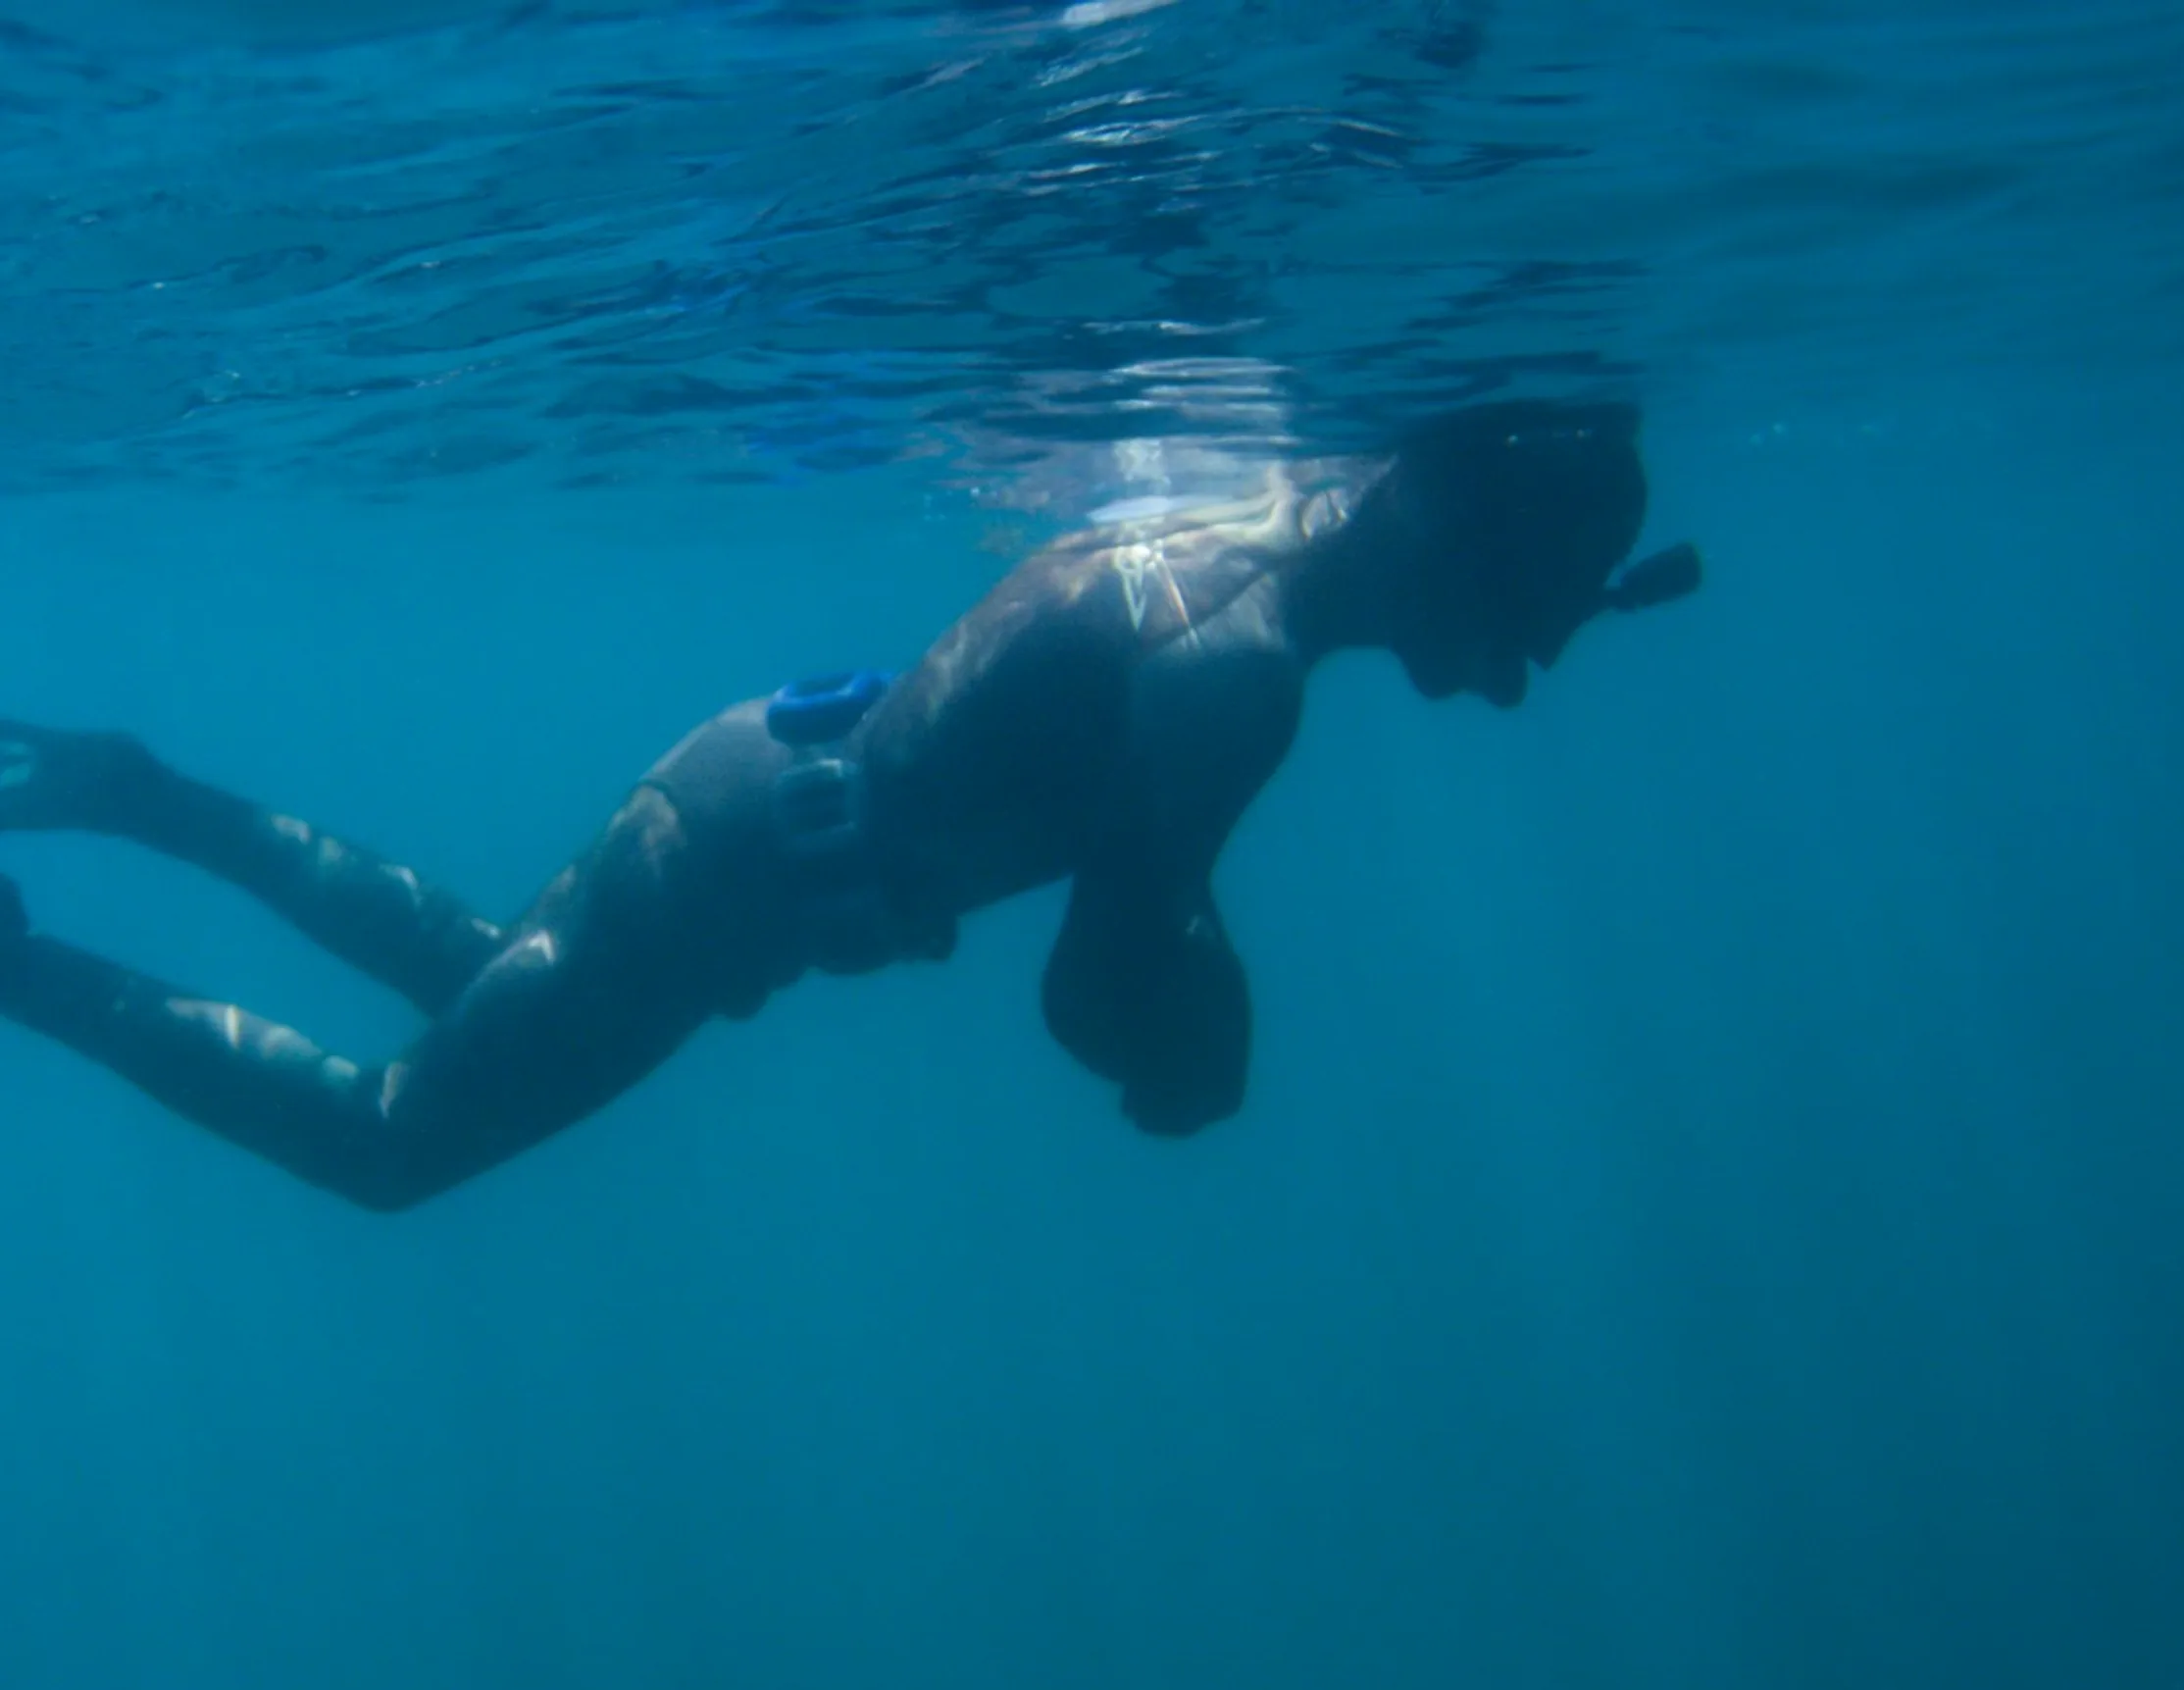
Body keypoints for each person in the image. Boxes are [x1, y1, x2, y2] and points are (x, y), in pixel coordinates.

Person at [0, 401, 1701, 1211]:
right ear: (1470, 541)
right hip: (741, 868)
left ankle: (127, 792)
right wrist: (1208, 1042)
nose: (1521, 671)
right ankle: (28, 961)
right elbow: (1092, 992)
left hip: (750, 794)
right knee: (391, 1142)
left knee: (476, 977)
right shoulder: (1241, 670)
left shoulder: (1260, 499)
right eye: (1542, 610)